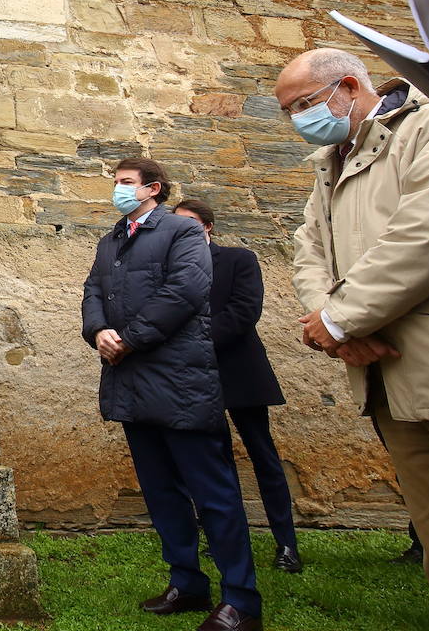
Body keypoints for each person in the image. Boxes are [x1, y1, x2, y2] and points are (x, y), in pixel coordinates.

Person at [276, 47, 429, 631]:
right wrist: (331, 323)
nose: (297, 120)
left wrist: (345, 321)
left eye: (303, 105)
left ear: (348, 84)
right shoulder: (331, 161)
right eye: (289, 112)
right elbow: (308, 249)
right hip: (388, 384)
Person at [83, 158, 261, 631]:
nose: (117, 191)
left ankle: (241, 601)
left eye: (125, 183)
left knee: (214, 493)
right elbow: (92, 291)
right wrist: (98, 330)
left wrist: (130, 338)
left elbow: (186, 291)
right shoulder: (111, 240)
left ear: (152, 188)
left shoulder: (181, 233)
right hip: (131, 384)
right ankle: (187, 582)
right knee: (162, 492)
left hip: (180, 381)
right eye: (115, 183)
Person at [174, 198, 301, 574]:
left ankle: (287, 544)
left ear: (207, 226)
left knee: (263, 456)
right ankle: (226, 539)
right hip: (195, 375)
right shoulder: (172, 267)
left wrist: (194, 340)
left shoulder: (238, 259)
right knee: (214, 461)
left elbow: (244, 311)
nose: (184, 230)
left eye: (191, 223)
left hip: (239, 369)